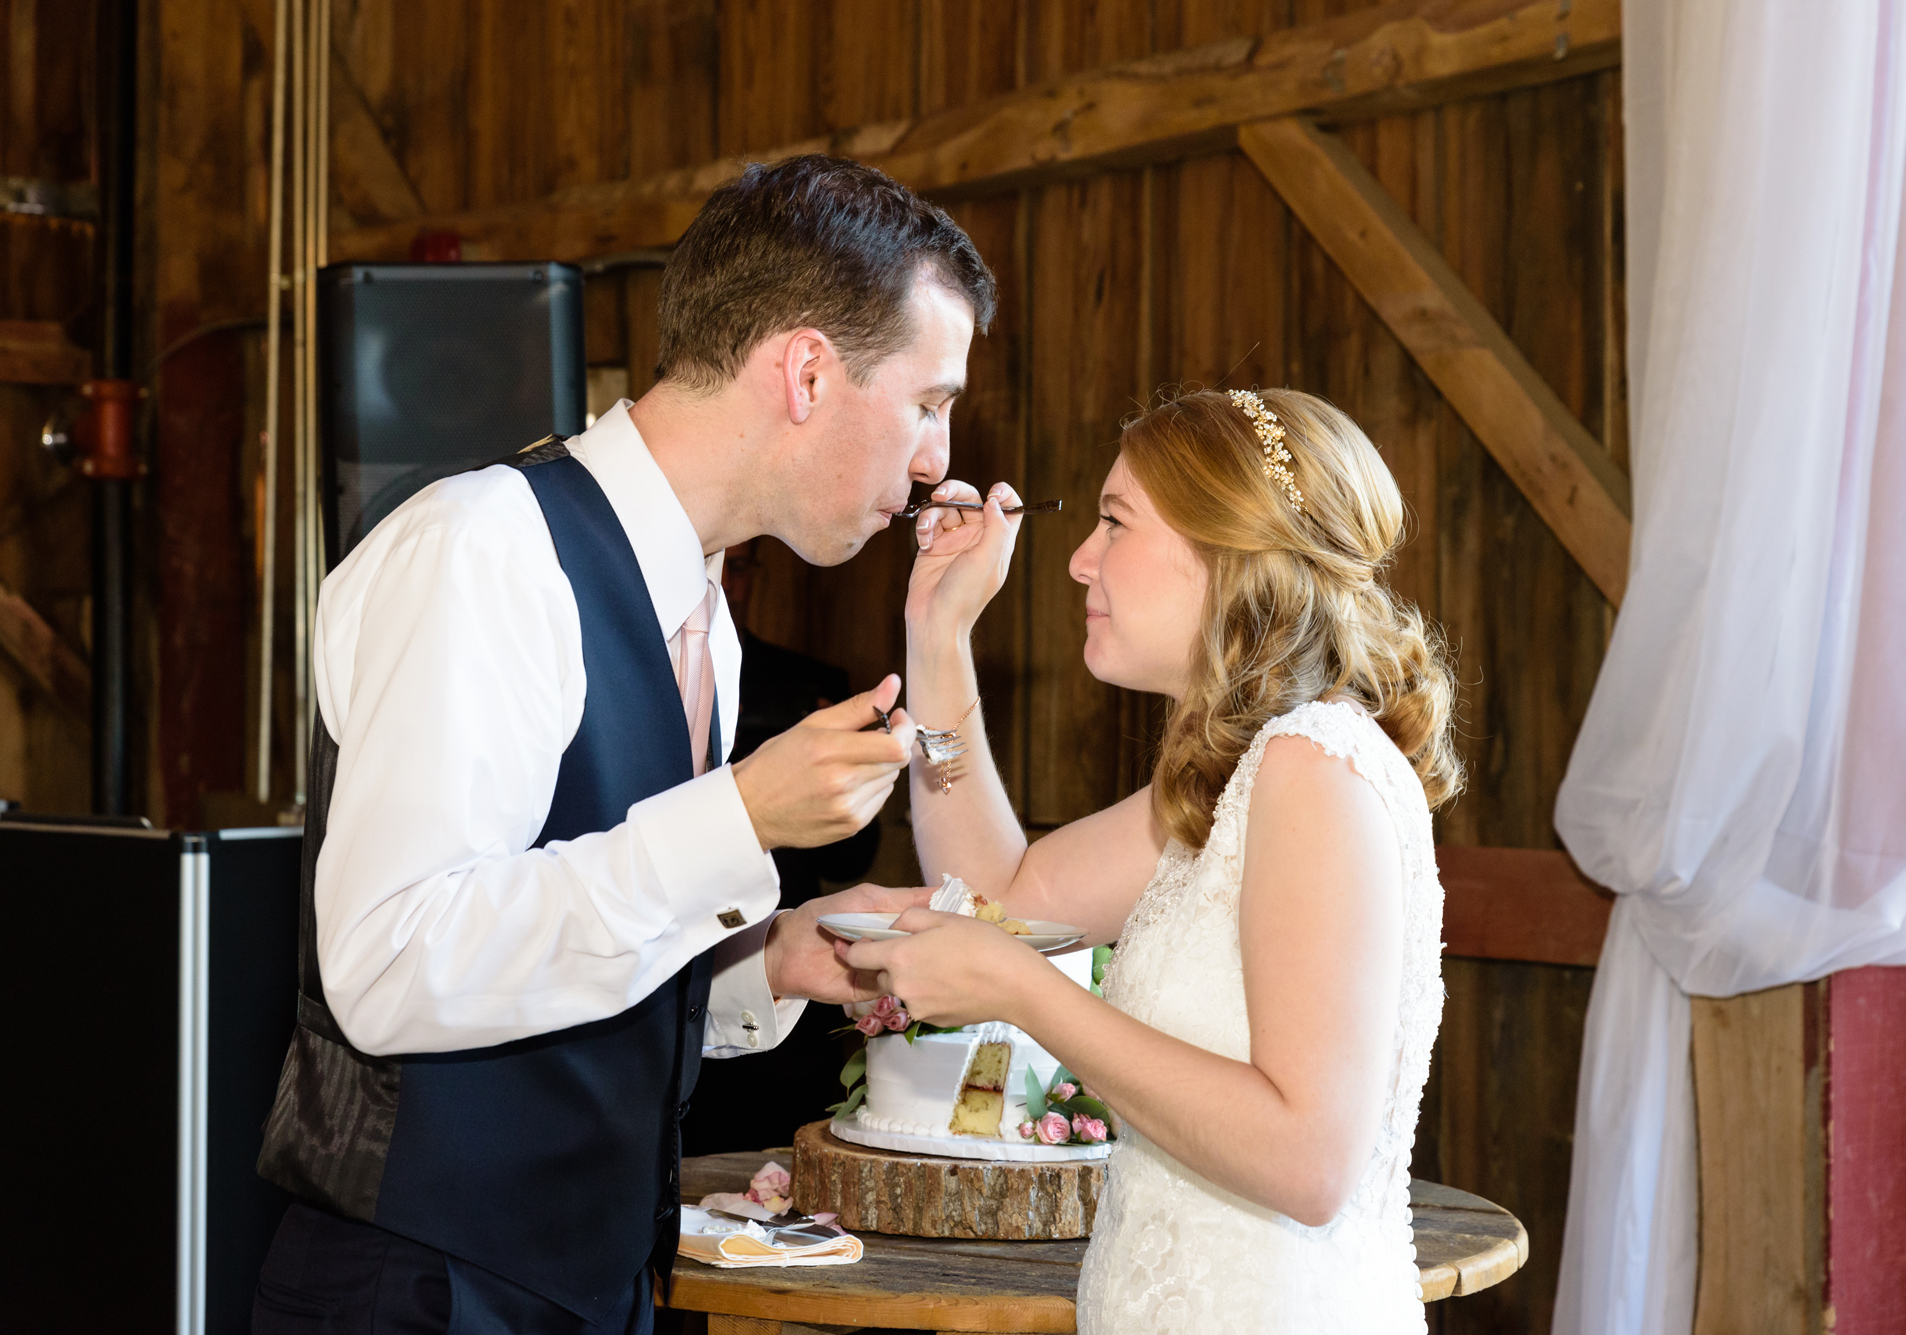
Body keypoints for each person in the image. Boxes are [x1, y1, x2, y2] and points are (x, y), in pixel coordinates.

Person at [251, 155, 996, 1335]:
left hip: (595, 1289)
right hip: (424, 1292)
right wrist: (738, 821)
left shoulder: (701, 612)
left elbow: (582, 934)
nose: (934, 462)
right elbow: (389, 966)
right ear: (805, 370)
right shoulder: (483, 549)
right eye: (928, 401)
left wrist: (774, 963)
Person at [845, 388, 1461, 1333]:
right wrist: (939, 634)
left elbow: (1308, 1158)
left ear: (1225, 544)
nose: (1080, 560)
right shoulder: (1238, 775)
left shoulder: (1313, 767)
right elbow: (1002, 891)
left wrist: (1027, 991)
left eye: (1113, 522)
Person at [680, 539, 882, 1158]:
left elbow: (851, 860)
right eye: (721, 566)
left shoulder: (812, 689)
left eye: (741, 567)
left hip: (786, 965)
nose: (731, 581)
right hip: (679, 954)